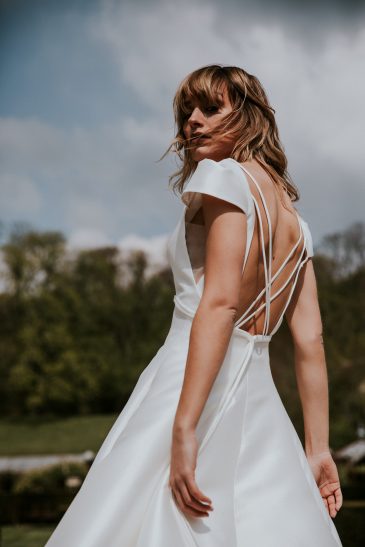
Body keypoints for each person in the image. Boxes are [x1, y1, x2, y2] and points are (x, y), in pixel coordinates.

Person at [46, 64, 343, 546]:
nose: (193, 122)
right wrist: (318, 448)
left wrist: (184, 428)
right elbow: (310, 339)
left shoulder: (223, 178)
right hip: (261, 404)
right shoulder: (297, 222)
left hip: (187, 384)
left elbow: (221, 303)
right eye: (187, 112)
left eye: (210, 108)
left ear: (249, 115)